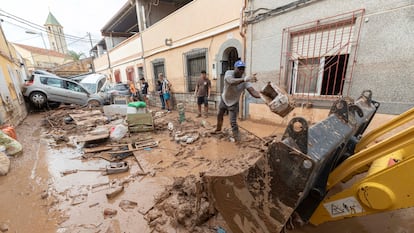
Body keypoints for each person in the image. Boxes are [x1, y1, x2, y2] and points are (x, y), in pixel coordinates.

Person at [214, 60, 260, 142]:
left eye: (242, 69)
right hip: (224, 99)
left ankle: (237, 139)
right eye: (239, 68)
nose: (241, 71)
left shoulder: (245, 81)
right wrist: (245, 79)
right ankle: (218, 130)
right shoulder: (229, 73)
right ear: (235, 68)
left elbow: (253, 92)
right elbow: (231, 82)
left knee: (233, 122)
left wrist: (264, 96)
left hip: (233, 103)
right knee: (219, 115)